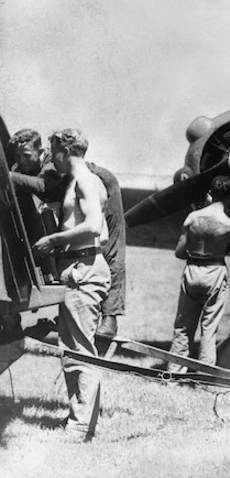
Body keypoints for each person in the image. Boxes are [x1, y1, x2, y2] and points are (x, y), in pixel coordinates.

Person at [8, 128, 126, 339]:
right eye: (17, 157)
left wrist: (9, 177)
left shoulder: (53, 164)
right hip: (74, 202)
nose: (21, 161)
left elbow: (46, 188)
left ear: (41, 151)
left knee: (109, 249)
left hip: (102, 186)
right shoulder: (24, 166)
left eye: (26, 156)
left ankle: (110, 317)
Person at [33, 129, 110, 441]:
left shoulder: (85, 181)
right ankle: (81, 420)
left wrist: (53, 239)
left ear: (64, 150)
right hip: (81, 266)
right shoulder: (88, 182)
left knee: (81, 352)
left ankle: (79, 427)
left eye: (53, 151)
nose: (51, 158)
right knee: (75, 350)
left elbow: (92, 227)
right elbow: (102, 235)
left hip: (84, 269)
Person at [167, 175, 230, 372]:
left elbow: (179, 252)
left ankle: (174, 373)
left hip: (192, 270)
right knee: (209, 329)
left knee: (183, 326)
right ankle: (204, 376)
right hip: (215, 272)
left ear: (209, 194)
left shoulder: (192, 218)